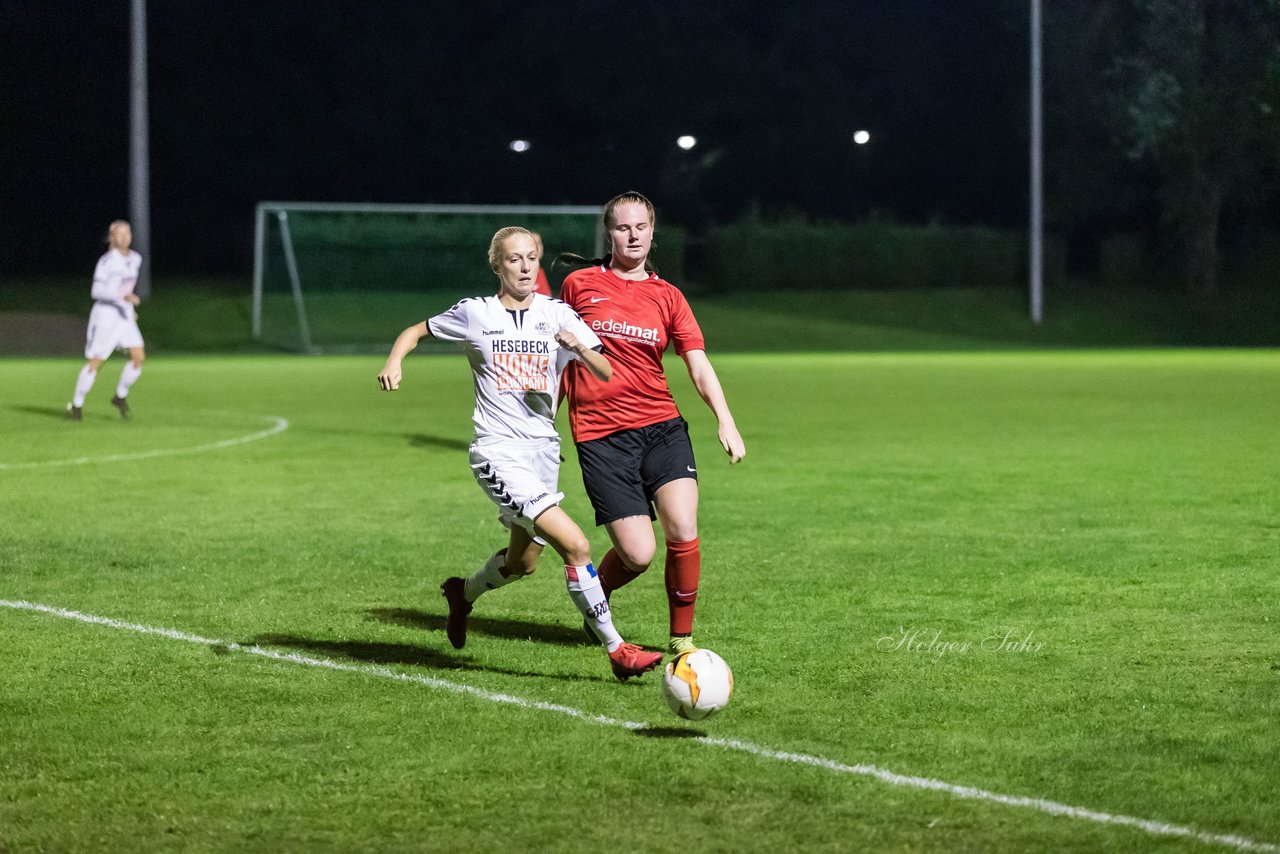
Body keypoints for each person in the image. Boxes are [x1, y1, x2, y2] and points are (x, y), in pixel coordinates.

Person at [377, 226, 662, 681]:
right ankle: (617, 649)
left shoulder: (558, 313)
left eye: (532, 257)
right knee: (577, 545)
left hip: (543, 453)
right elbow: (416, 330)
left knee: (522, 563)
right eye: (514, 259)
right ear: (498, 265)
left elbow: (605, 369)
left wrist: (578, 349)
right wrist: (395, 360)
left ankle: (462, 593)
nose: (525, 266)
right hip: (497, 451)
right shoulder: (475, 313)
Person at [558, 192, 746, 657]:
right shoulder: (579, 285)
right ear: (609, 233)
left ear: (652, 231)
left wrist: (725, 419)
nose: (633, 235)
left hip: (661, 427)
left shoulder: (669, 296)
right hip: (601, 436)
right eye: (623, 227)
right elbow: (560, 359)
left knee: (682, 525)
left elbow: (697, 364)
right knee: (638, 555)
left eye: (641, 226)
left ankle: (682, 641)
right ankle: (595, 599)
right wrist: (546, 423)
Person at [67, 220, 145, 421]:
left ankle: (119, 396)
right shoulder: (107, 261)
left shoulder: (136, 259)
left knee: (138, 357)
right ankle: (76, 405)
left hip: (124, 316)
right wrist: (122, 297)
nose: (125, 237)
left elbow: (126, 287)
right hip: (106, 317)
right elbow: (97, 291)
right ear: (112, 238)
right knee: (96, 362)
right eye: (120, 234)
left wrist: (129, 304)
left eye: (128, 233)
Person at [530, 231, 552, 296]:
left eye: (538, 243)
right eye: (532, 244)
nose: (536, 247)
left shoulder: (540, 271)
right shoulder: (521, 275)